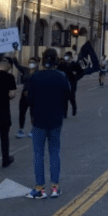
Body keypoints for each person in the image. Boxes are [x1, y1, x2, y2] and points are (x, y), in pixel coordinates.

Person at [25, 48, 72, 199]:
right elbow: (67, 95)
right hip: (56, 118)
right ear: (56, 60)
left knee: (38, 154)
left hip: (38, 118)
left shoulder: (36, 77)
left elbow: (29, 99)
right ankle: (55, 187)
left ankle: (39, 189)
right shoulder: (61, 76)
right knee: (54, 152)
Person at [14, 56, 38, 138]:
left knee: (33, 114)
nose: (31, 64)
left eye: (33, 62)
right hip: (24, 96)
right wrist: (14, 57)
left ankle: (33, 130)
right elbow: (17, 65)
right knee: (22, 113)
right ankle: (21, 130)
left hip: (33, 97)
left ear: (36, 64)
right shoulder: (25, 70)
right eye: (30, 62)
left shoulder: (38, 73)